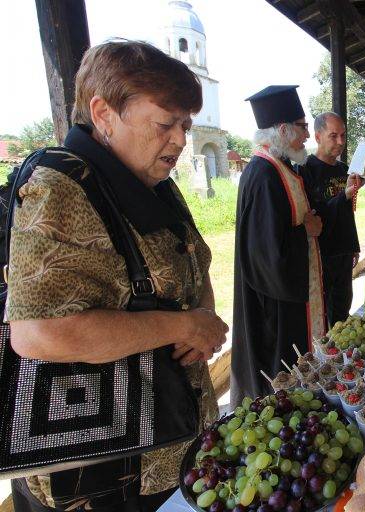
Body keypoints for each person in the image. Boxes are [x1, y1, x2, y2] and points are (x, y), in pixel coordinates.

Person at [7, 40, 227, 511]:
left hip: (166, 445)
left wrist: (203, 312)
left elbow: (191, 267)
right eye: (165, 123)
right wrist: (184, 326)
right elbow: (37, 332)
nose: (181, 139)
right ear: (104, 113)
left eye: (185, 124)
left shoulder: (154, 184)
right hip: (103, 473)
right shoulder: (58, 190)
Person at [231, 85, 324, 405]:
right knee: (280, 377)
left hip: (288, 294)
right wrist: (307, 231)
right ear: (283, 130)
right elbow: (265, 254)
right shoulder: (263, 174)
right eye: (302, 127)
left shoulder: (280, 167)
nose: (307, 136)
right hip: (277, 304)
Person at [298, 112, 361, 328]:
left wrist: (354, 245)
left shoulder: (345, 170)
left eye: (343, 135)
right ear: (317, 137)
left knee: (343, 311)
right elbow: (313, 214)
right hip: (322, 253)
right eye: (333, 136)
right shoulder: (305, 169)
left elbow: (347, 213)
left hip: (344, 251)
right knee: (324, 315)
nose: (340, 142)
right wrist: (342, 195)